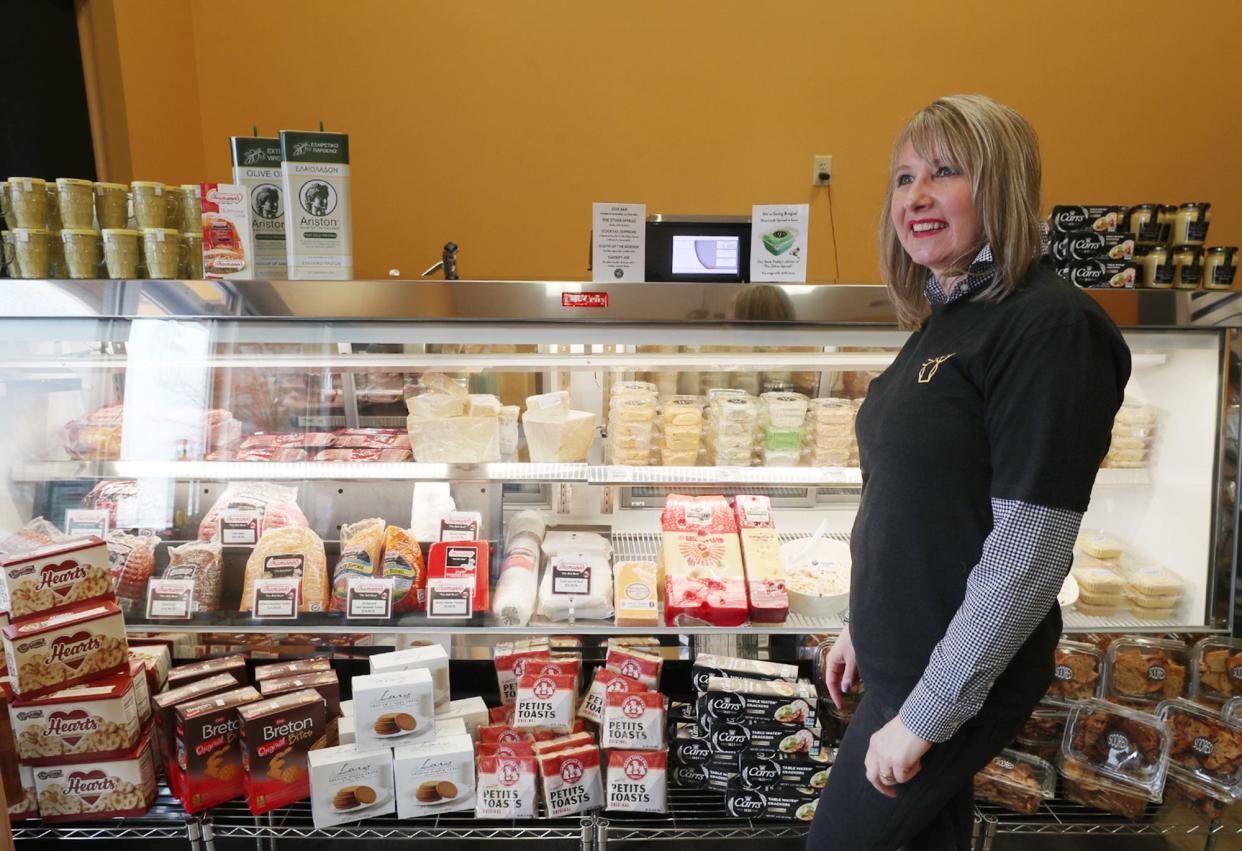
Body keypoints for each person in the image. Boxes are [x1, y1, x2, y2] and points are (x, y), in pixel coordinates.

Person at [806, 95, 1130, 850]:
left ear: (1003, 185)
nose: (914, 197)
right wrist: (863, 620)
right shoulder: (948, 319)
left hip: (953, 673)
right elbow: (918, 501)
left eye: (944, 173)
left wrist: (923, 716)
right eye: (903, 176)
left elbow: (1030, 549)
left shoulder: (1049, 324)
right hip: (902, 655)